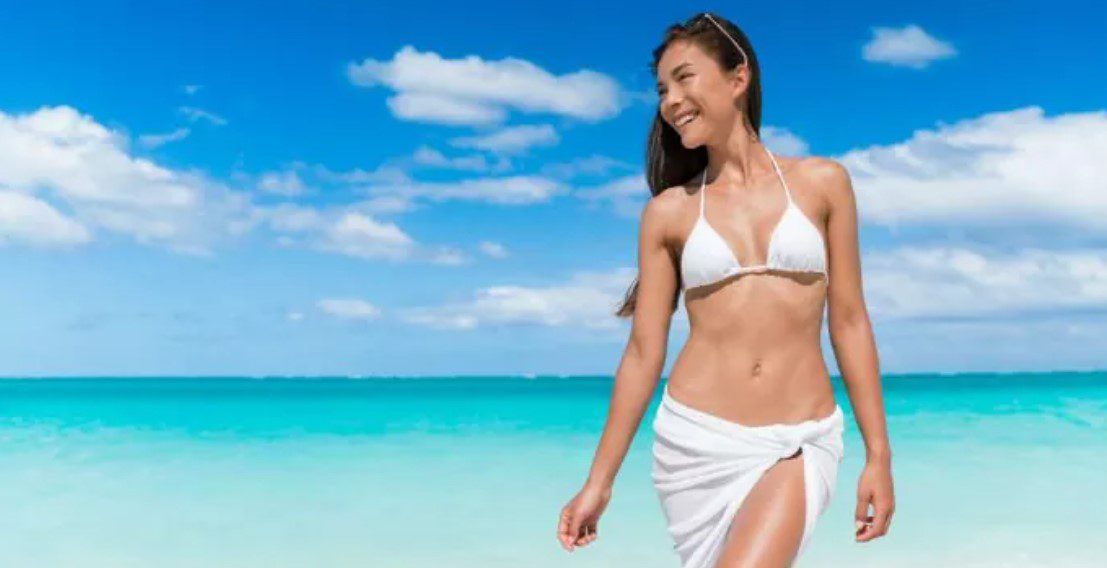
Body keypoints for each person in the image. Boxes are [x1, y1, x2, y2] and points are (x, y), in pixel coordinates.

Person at [557, 12, 895, 567]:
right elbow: (644, 352)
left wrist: (878, 455)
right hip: (697, 441)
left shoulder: (823, 183)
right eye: (662, 89)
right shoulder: (668, 213)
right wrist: (600, 481)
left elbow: (851, 320)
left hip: (799, 438)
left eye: (685, 78)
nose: (670, 100)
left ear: (738, 77)